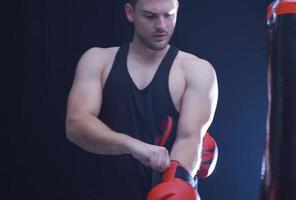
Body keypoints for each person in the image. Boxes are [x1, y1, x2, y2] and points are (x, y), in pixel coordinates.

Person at [65, 0, 218, 199]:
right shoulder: (98, 61)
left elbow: (190, 138)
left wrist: (177, 186)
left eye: (168, 15)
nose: (161, 26)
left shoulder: (197, 71)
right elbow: (76, 125)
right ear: (130, 12)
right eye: (150, 16)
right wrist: (133, 146)